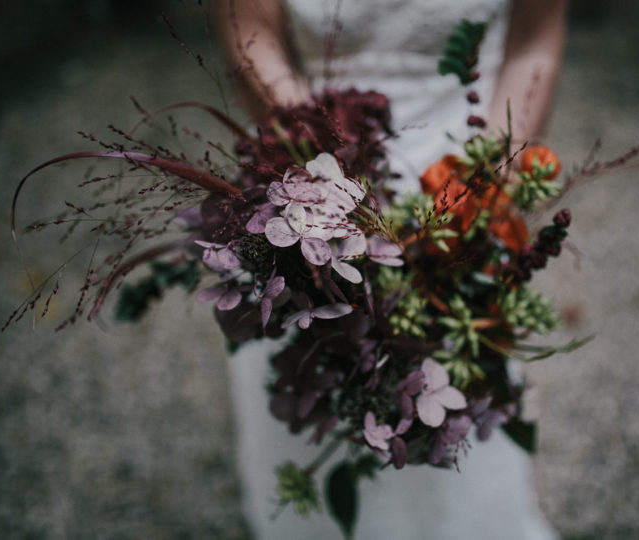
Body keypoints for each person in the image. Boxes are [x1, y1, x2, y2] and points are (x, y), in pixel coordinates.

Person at [214, 1, 566, 538]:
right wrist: (327, 186)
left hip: (465, 201)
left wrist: (481, 192)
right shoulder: (318, 198)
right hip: (317, 205)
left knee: (452, 429)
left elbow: (532, 44)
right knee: (318, 389)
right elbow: (251, 33)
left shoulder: (472, 202)